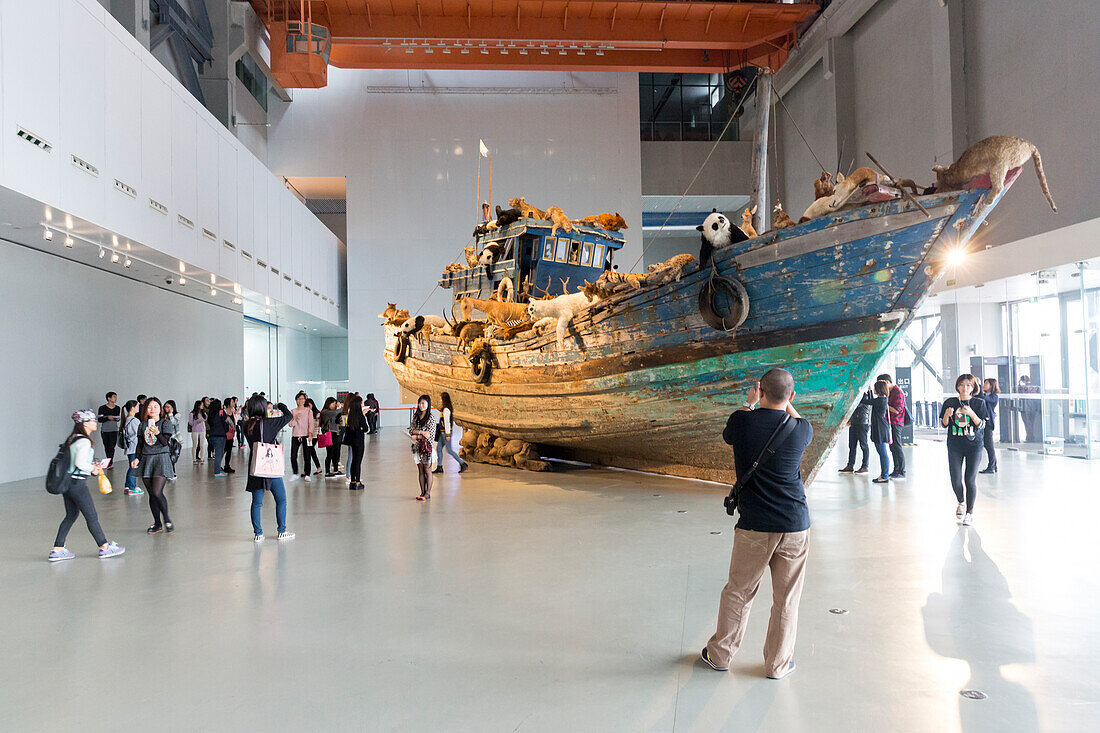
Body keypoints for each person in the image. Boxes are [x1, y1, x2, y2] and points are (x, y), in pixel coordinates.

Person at [702, 368, 812, 679]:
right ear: (792, 397)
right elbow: (797, 419)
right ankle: (777, 665)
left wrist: (751, 403)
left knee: (739, 591)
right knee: (786, 598)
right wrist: (784, 401)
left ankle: (720, 656)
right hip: (795, 524)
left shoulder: (742, 421)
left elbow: (730, 433)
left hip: (754, 525)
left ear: (759, 390)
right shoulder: (801, 429)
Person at [48, 410, 125, 562]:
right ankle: (104, 547)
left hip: (68, 483)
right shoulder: (84, 441)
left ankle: (57, 549)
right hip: (77, 485)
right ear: (84, 423)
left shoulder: (73, 439)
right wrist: (93, 469)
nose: (95, 423)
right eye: (92, 421)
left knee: (71, 515)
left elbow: (76, 462)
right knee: (92, 516)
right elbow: (80, 463)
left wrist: (90, 466)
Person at [243, 394, 295, 542]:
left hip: (255, 467)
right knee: (281, 500)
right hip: (270, 467)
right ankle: (282, 531)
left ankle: (258, 534)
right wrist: (280, 405)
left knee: (257, 503)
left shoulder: (245, 425)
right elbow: (289, 415)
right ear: (264, 407)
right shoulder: (272, 423)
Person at [940, 374, 989, 527]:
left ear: (973, 388)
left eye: (968, 385)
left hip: (974, 445)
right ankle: (961, 501)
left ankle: (969, 513)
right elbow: (944, 424)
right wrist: (947, 415)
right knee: (955, 479)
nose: (965, 387)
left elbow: (982, 425)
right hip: (955, 445)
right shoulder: (950, 402)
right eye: (962, 384)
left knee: (970, 479)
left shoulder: (979, 403)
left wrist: (971, 414)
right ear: (957, 386)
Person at [132, 396, 176, 533]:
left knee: (157, 492)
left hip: (161, 459)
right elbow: (140, 444)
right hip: (146, 459)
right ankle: (157, 523)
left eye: (156, 406)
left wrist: (157, 432)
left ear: (160, 409)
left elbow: (165, 443)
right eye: (150, 407)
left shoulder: (165, 423)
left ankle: (167, 518)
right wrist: (136, 458)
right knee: (151, 494)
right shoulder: (142, 425)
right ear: (146, 409)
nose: (153, 409)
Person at [408, 395, 438, 501]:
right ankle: (422, 492)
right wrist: (421, 433)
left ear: (428, 404)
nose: (421, 405)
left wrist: (416, 436)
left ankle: (428, 492)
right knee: (420, 470)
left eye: (423, 403)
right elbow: (411, 429)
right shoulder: (416, 416)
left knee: (427, 469)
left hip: (427, 448)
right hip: (417, 447)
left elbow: (430, 435)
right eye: (420, 403)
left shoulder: (431, 418)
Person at [878, 373, 906, 479]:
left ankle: (902, 471)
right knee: (892, 447)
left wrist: (884, 404)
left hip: (896, 422)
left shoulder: (898, 392)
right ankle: (896, 470)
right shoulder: (889, 392)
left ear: (887, 382)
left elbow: (897, 411)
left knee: (897, 446)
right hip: (889, 423)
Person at [433, 392, 468, 474]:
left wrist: (448, 435)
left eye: (441, 398)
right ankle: (439, 467)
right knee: (438, 449)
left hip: (446, 433)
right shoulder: (445, 409)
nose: (440, 400)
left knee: (449, 450)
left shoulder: (446, 410)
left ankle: (463, 464)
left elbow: (447, 423)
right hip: (443, 433)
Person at [838, 388, 871, 474]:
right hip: (854, 423)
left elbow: (856, 405)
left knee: (864, 445)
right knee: (852, 446)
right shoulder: (856, 396)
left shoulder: (865, 397)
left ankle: (865, 466)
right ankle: (850, 466)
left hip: (862, 423)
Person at [865, 381, 893, 484]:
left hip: (880, 429)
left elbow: (867, 401)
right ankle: (884, 474)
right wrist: (869, 391)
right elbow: (872, 400)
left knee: (882, 453)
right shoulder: (883, 399)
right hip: (880, 427)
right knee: (882, 452)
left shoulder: (880, 400)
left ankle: (885, 475)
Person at [343, 394, 367, 490]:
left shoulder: (351, 415)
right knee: (358, 461)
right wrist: (361, 428)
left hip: (352, 441)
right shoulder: (361, 416)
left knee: (353, 461)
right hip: (359, 441)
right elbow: (365, 428)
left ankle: (352, 482)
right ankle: (357, 482)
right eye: (362, 402)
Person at [289, 393, 314, 482]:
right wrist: (295, 419)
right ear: (296, 400)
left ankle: (307, 474)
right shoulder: (293, 411)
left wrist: (310, 433)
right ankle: (295, 473)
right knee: (293, 456)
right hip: (295, 436)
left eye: (302, 399)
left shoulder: (308, 411)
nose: (301, 400)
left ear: (305, 400)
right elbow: (290, 424)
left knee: (307, 456)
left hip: (306, 435)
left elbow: (311, 423)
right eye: (299, 399)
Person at [120, 399, 143, 495]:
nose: (139, 407)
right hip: (134, 447)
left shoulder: (127, 419)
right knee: (134, 467)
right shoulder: (134, 420)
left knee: (131, 466)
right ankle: (132, 487)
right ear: (133, 408)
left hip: (130, 447)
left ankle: (128, 486)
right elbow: (140, 433)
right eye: (137, 406)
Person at [979, 378, 1000, 474]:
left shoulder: (994, 397)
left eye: (986, 383)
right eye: (983, 383)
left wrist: (978, 385)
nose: (984, 385)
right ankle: (993, 466)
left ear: (991, 385)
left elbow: (983, 398)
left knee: (989, 446)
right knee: (988, 445)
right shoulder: (987, 395)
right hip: (984, 422)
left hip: (988, 423)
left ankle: (991, 467)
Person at [319, 397, 343, 477]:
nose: (334, 406)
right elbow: (338, 411)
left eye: (335, 404)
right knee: (330, 453)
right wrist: (342, 406)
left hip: (335, 433)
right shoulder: (325, 412)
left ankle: (335, 470)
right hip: (329, 433)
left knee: (336, 452)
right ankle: (327, 471)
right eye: (333, 404)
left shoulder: (333, 412)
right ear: (328, 404)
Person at [207, 398, 230, 478]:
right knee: (219, 454)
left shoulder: (211, 413)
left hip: (212, 435)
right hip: (220, 436)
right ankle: (217, 472)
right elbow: (227, 421)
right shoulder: (221, 412)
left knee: (219, 453)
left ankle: (218, 469)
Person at [162, 400, 184, 481]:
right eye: (165, 407)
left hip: (176, 439)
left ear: (172, 408)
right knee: (168, 457)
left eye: (168, 407)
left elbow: (173, 423)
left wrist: (170, 414)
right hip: (167, 440)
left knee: (173, 458)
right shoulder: (163, 416)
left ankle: (172, 473)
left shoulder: (177, 415)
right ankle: (171, 473)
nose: (166, 409)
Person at [96, 392, 121, 462]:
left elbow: (117, 418)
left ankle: (110, 462)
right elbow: (100, 419)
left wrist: (117, 419)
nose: (115, 398)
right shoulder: (102, 408)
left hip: (114, 430)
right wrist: (107, 418)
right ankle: (109, 461)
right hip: (105, 430)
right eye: (114, 397)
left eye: (116, 397)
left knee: (112, 447)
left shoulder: (117, 408)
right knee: (106, 446)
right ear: (108, 398)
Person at [305, 398, 323, 476]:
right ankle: (317, 468)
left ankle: (307, 470)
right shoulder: (305, 413)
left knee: (310, 451)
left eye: (309, 405)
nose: (308, 407)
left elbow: (316, 425)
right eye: (306, 406)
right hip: (306, 434)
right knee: (310, 452)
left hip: (314, 435)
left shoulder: (316, 413)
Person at [222, 396, 238, 474]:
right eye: (232, 402)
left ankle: (227, 466)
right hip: (225, 434)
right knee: (223, 450)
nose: (234, 403)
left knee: (229, 450)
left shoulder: (232, 411)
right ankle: (217, 465)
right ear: (228, 404)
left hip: (231, 434)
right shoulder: (223, 412)